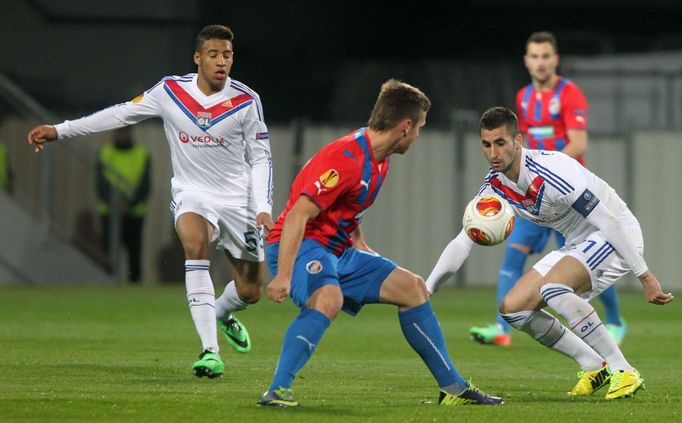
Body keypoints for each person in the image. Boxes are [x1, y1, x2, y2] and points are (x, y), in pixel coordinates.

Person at [27, 24, 274, 378]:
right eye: (214, 54)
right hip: (192, 193)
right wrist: (60, 130)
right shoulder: (170, 91)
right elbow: (119, 113)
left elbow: (262, 158)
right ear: (198, 58)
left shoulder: (246, 101)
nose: (222, 62)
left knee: (251, 291)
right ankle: (210, 351)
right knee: (194, 247)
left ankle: (220, 311)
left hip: (238, 202)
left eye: (228, 55)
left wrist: (263, 207)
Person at [258, 80, 502, 408]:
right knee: (328, 299)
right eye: (419, 128)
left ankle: (453, 387)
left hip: (338, 251)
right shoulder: (344, 158)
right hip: (301, 245)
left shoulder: (380, 160)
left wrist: (365, 251)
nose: (418, 135)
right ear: (405, 126)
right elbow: (298, 215)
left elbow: (349, 213)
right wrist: (284, 274)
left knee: (413, 288)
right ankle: (277, 390)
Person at [427, 106, 673, 400]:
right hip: (577, 243)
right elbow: (462, 241)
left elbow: (608, 221)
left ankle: (624, 369)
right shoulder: (494, 186)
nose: (493, 152)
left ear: (518, 141)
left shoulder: (552, 171)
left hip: (614, 235)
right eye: (486, 144)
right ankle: (594, 365)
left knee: (553, 288)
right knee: (513, 307)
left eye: (500, 142)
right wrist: (428, 288)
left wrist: (644, 275)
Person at [469, 32, 627, 348]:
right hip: (530, 198)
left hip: (563, 200)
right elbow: (519, 145)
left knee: (586, 265)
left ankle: (615, 322)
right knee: (512, 259)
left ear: (555, 59)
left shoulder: (569, 94)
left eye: (545, 56)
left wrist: (547, 180)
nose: (540, 63)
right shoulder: (524, 97)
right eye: (534, 57)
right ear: (526, 61)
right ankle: (502, 329)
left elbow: (579, 143)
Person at [96, 126, 151, 284]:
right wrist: (115, 204)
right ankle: (108, 284)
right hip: (109, 212)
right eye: (120, 131)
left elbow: (145, 185)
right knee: (108, 253)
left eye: (126, 131)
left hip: (135, 213)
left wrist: (129, 205)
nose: (123, 134)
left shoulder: (142, 153)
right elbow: (100, 184)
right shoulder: (104, 153)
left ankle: (135, 288)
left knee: (134, 253)